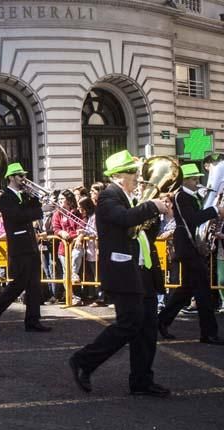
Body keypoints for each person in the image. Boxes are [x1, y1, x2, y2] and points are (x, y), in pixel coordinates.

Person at [69, 150, 171, 397]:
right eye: (132, 172)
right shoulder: (108, 196)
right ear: (117, 175)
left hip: (141, 269)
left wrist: (159, 211)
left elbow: (145, 232)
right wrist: (151, 205)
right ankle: (84, 359)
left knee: (147, 327)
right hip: (123, 271)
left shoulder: (128, 196)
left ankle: (141, 381)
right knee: (129, 323)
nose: (137, 176)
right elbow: (124, 219)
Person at [157, 163, 224, 344]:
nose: (197, 182)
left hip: (190, 246)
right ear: (185, 180)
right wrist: (215, 210)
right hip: (188, 247)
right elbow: (192, 220)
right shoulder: (181, 197)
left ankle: (161, 321)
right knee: (202, 291)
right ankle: (208, 333)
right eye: (194, 179)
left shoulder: (190, 196)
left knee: (185, 290)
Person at [0, 163, 53, 332]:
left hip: (30, 244)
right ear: (11, 177)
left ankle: (32, 321)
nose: (24, 179)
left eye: (24, 175)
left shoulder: (23, 194)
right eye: (20, 176)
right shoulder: (6, 198)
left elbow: (29, 209)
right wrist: (41, 210)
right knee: (19, 283)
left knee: (34, 284)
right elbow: (17, 216)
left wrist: (35, 197)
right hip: (19, 246)